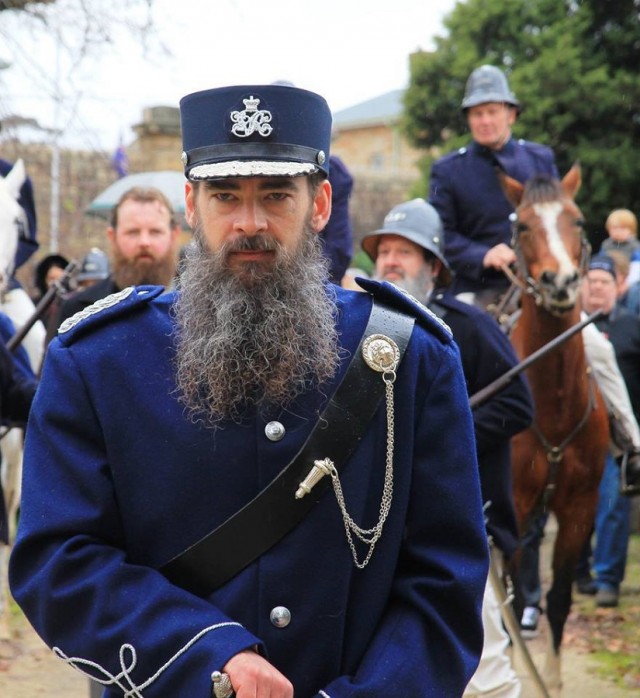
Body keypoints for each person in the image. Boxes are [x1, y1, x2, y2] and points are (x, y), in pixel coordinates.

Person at [10, 84, 489, 698]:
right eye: (226, 195)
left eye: (277, 195)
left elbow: (444, 583)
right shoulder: (97, 361)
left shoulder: (412, 357)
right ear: (191, 203)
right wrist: (207, 657)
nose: (250, 223)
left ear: (319, 205)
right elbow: (59, 559)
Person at [362, 197, 533, 698]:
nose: (390, 261)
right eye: (384, 251)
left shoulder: (467, 325)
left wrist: (442, 437)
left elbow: (517, 405)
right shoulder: (357, 326)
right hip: (378, 529)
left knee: (484, 677)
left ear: (433, 267)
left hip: (460, 523)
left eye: (404, 252)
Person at [429, 65, 558, 309]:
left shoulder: (541, 159)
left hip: (541, 284)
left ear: (511, 114)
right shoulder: (447, 169)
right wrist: (482, 255)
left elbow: (557, 223)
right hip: (473, 287)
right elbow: (439, 234)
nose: (485, 120)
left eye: (492, 111)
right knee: (457, 340)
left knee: (598, 349)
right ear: (468, 119)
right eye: (477, 114)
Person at [574, 254, 640, 608]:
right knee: (579, 504)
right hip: (577, 435)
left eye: (604, 281)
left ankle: (608, 577)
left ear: (618, 287)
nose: (597, 286)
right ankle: (578, 570)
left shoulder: (633, 325)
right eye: (591, 280)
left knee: (613, 504)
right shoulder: (569, 329)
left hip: (618, 436)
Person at [53, 187, 181, 331]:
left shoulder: (196, 307)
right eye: (133, 232)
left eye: (155, 232)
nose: (144, 242)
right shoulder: (79, 311)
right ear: (112, 237)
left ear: (174, 235)